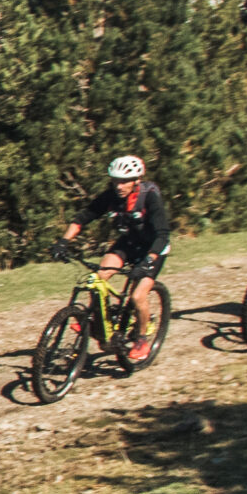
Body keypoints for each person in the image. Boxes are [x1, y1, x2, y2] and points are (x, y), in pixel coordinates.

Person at [62, 154, 170, 364]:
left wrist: (148, 260)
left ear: (136, 180)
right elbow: (83, 217)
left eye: (124, 181)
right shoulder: (110, 196)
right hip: (128, 244)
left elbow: (163, 233)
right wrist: (64, 241)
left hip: (153, 249)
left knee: (138, 296)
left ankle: (141, 338)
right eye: (115, 180)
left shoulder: (149, 196)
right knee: (96, 279)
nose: (119, 186)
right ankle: (97, 323)